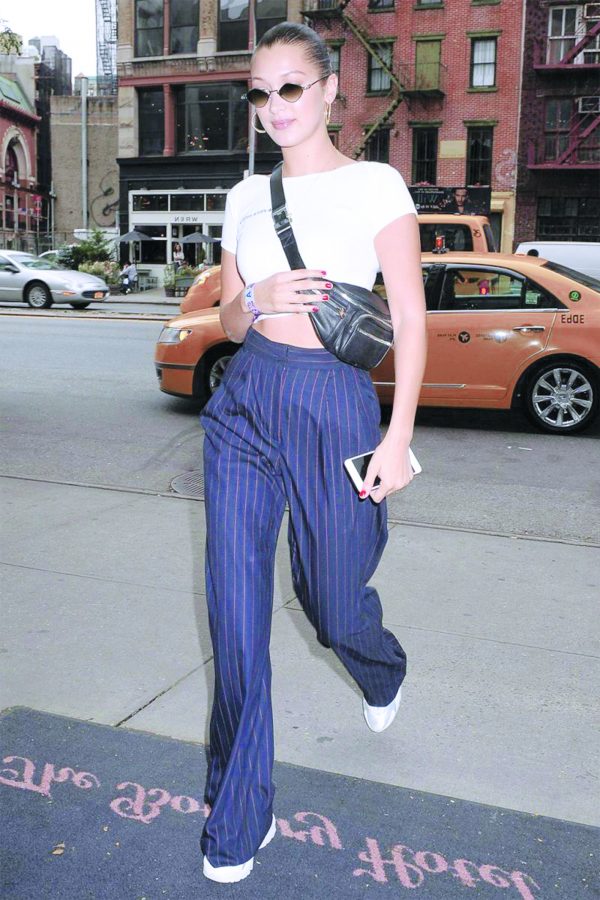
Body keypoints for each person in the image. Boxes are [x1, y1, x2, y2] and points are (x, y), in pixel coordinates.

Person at [199, 22, 427, 884]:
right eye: (260, 93)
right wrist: (255, 297)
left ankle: (378, 666)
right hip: (245, 403)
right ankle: (240, 810)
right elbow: (228, 321)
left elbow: (410, 320)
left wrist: (398, 438)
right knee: (235, 616)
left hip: (334, 406)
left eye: (290, 86)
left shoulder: (375, 185)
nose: (275, 106)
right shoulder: (244, 197)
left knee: (332, 602)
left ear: (330, 90)